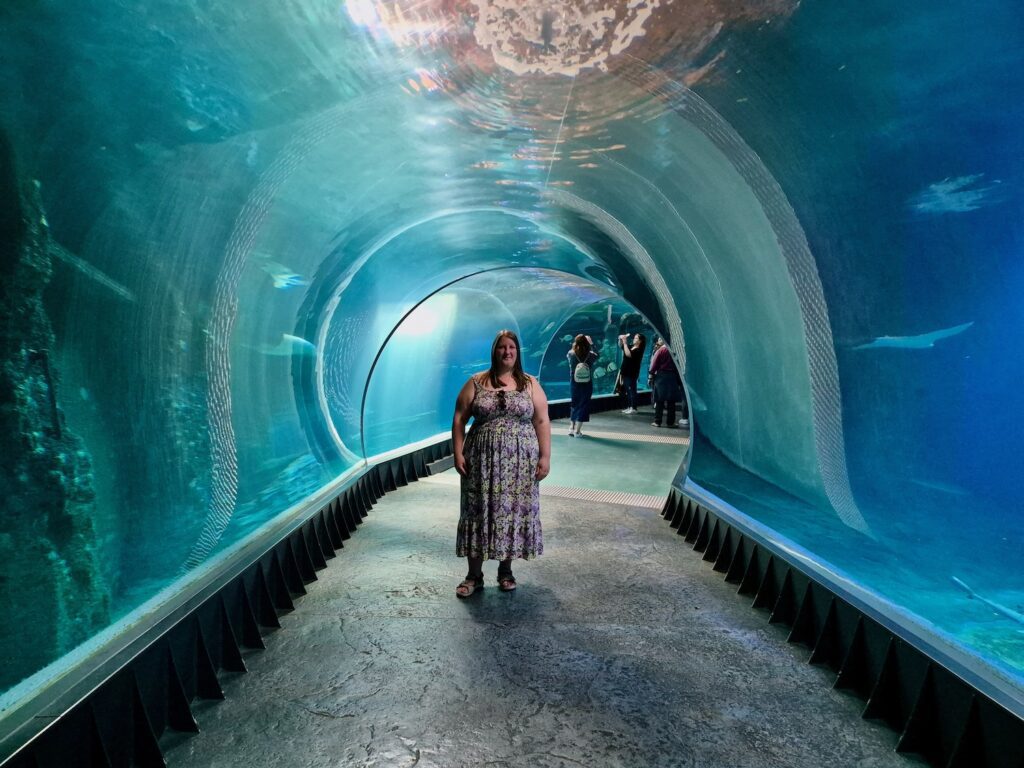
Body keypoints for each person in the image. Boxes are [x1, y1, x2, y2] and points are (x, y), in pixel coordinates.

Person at [451, 330, 551, 597]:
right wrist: (457, 452)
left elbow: (541, 420)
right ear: (494, 351)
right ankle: (474, 575)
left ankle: (505, 571)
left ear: (517, 352)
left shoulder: (530, 383)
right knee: (479, 511)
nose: (507, 352)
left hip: (520, 463)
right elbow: (460, 417)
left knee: (512, 512)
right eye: (502, 348)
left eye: (512, 348)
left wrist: (545, 456)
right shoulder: (476, 382)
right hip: (481, 461)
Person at [649, 341, 686, 428]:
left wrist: (651, 376)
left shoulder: (661, 350)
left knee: (659, 401)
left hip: (661, 376)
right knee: (671, 401)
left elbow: (654, 365)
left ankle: (657, 422)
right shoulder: (674, 352)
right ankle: (670, 422)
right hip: (672, 376)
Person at [567, 334, 597, 437]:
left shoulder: (571, 354)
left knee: (574, 403)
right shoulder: (590, 354)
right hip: (587, 383)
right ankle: (577, 431)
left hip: (574, 382)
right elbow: (598, 354)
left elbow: (570, 361)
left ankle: (571, 428)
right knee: (584, 404)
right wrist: (591, 343)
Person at [617, 332, 646, 414]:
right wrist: (621, 339)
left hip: (631, 372)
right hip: (625, 371)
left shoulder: (638, 350)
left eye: (636, 338)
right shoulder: (631, 347)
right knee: (628, 390)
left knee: (632, 390)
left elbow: (628, 354)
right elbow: (621, 346)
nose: (634, 339)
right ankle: (629, 406)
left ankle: (633, 408)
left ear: (640, 341)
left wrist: (625, 343)